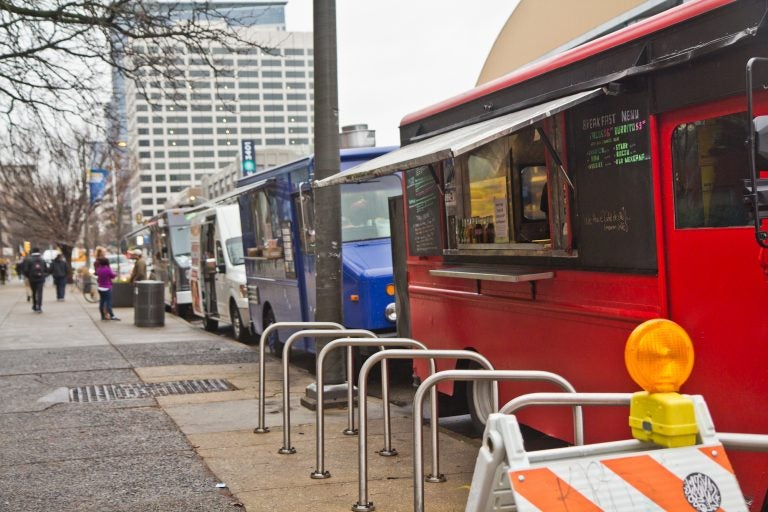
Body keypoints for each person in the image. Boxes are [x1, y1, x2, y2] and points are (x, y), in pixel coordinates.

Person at [22, 247, 49, 313]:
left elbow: (25, 270)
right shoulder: (42, 260)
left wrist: (29, 276)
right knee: (40, 292)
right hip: (41, 279)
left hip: (32, 279)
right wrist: (44, 276)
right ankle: (39, 307)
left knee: (34, 292)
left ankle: (34, 305)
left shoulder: (29, 260)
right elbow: (46, 270)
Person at [95, 256, 120, 321]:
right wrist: (115, 273)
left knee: (102, 302)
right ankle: (112, 316)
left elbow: (97, 274)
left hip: (100, 288)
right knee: (108, 302)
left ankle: (102, 316)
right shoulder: (107, 269)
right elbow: (113, 276)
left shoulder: (99, 269)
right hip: (107, 288)